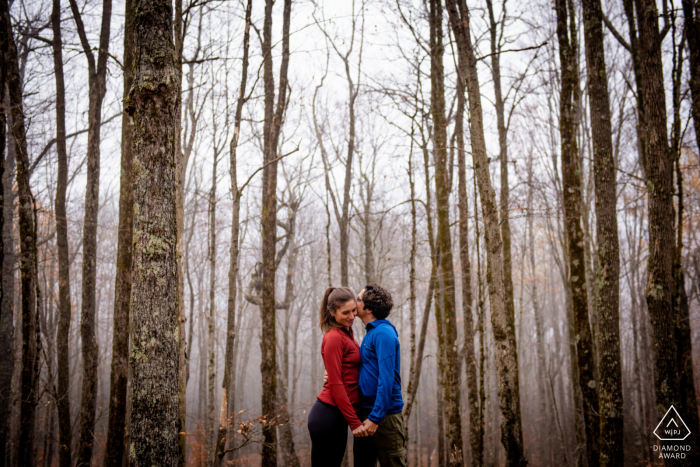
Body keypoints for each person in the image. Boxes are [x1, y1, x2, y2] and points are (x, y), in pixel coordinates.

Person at [307, 287, 368, 466]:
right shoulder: (334, 337)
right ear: (332, 312)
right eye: (345, 312)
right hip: (328, 415)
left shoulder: (347, 333)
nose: (351, 316)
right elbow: (335, 383)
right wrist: (354, 423)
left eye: (353, 310)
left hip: (339, 416)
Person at [353, 283, 406, 467]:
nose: (355, 302)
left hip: (385, 416)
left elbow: (386, 379)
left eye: (358, 299)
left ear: (368, 308)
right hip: (366, 413)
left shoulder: (383, 333)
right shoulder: (371, 333)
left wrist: (376, 418)